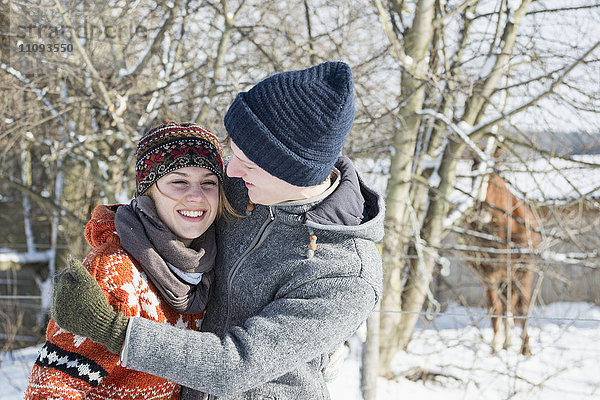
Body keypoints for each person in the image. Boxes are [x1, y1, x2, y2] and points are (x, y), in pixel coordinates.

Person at [51, 61, 385, 400]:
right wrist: (115, 237)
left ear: (293, 173)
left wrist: (114, 330)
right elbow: (167, 204)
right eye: (233, 152)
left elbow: (236, 365)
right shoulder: (245, 190)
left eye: (248, 163)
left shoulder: (345, 274)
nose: (231, 169)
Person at [26, 122, 235, 400]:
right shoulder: (115, 272)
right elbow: (50, 391)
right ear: (148, 190)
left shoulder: (208, 266)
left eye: (208, 182)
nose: (196, 196)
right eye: (179, 181)